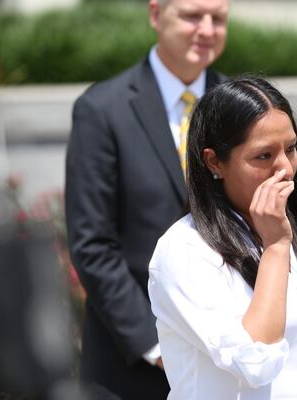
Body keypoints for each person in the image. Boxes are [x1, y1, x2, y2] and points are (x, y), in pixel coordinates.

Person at [148, 76, 297, 399]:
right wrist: (275, 248)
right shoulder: (184, 250)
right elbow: (255, 361)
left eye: (291, 149)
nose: (285, 169)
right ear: (214, 162)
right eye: (263, 156)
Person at [64, 0, 228, 398]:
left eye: (218, 18)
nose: (206, 29)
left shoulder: (241, 106)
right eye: (192, 15)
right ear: (156, 15)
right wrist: (157, 347)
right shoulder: (102, 109)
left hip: (228, 362)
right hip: (133, 367)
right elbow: (93, 244)